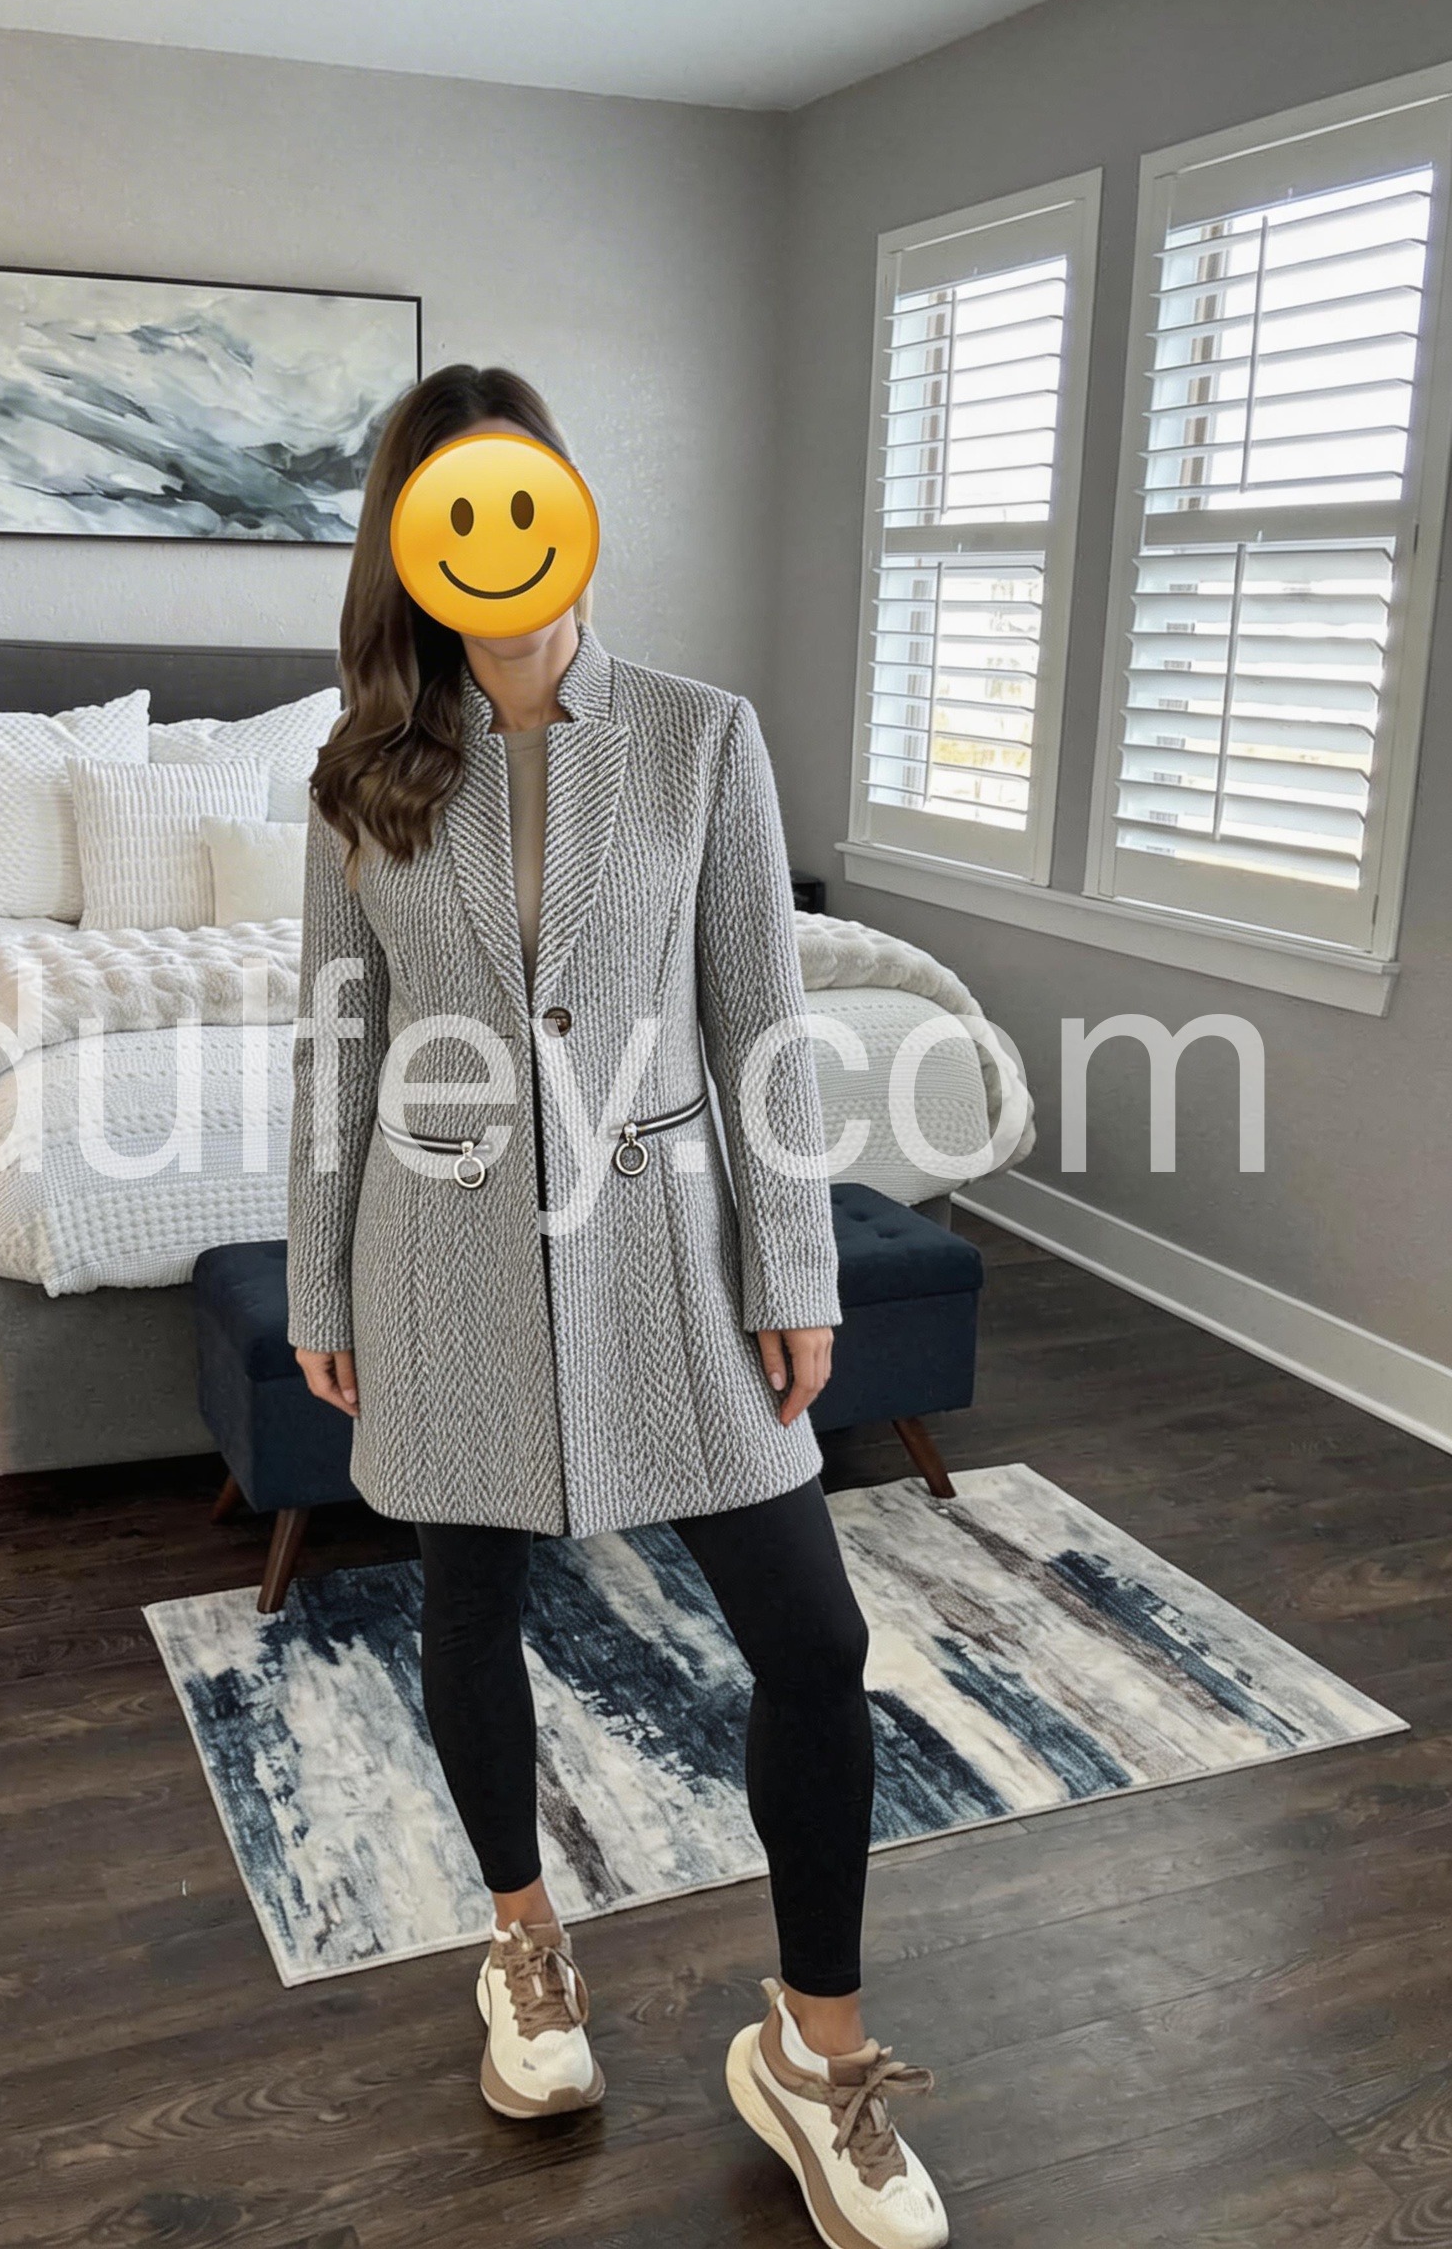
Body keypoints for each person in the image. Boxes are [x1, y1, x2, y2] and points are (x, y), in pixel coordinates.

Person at [289, 362, 949, 2249]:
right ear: (409, 545)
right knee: (468, 1601)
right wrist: (321, 1267)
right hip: (441, 1250)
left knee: (812, 1639)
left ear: (568, 506)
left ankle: (813, 2051)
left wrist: (794, 1260)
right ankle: (524, 1944)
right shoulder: (360, 766)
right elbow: (338, 1042)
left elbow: (761, 1020)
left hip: (669, 1250)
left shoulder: (698, 734)